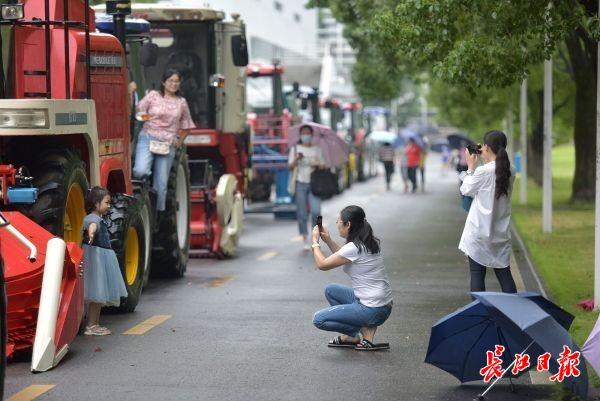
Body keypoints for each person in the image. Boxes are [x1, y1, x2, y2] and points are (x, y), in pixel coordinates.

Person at [311, 205, 393, 350]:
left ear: (348, 224)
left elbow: (322, 264)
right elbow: (343, 255)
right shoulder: (367, 242)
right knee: (331, 290)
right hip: (382, 305)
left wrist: (315, 242)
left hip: (371, 309)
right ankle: (353, 336)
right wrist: (328, 240)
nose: (337, 224)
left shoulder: (354, 247)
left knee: (318, 319)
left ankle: (361, 332)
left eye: (338, 221)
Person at [459, 130, 517, 293]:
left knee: (477, 275)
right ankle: (512, 311)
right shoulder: (511, 170)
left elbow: (466, 189)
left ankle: (481, 312)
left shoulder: (483, 172)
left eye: (483, 146)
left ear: (486, 147)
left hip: (478, 233)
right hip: (499, 233)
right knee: (505, 275)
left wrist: (470, 166)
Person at [133, 69, 196, 211]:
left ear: (180, 84)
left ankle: (156, 214)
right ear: (164, 82)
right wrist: (145, 117)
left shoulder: (181, 102)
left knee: (161, 185)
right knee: (140, 171)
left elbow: (187, 126)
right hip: (148, 137)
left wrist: (178, 143)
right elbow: (139, 110)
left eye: (176, 81)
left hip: (168, 145)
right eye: (170, 81)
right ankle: (141, 198)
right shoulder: (153, 96)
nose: (173, 84)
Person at [82, 187, 128, 336]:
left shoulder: (97, 218)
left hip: (100, 256)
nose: (109, 206)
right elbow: (92, 227)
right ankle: (91, 325)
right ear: (96, 204)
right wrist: (91, 234)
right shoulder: (92, 218)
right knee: (97, 293)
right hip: (97, 257)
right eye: (107, 203)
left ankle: (94, 324)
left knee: (98, 294)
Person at [288, 124, 325, 250]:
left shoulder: (317, 149)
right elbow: (290, 167)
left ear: (312, 135)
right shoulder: (295, 149)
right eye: (303, 133)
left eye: (307, 133)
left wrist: (316, 164)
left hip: (315, 184)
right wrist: (297, 159)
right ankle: (304, 237)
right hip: (300, 183)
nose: (306, 135)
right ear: (300, 135)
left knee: (316, 211)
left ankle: (316, 236)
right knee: (302, 213)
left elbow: (323, 165)